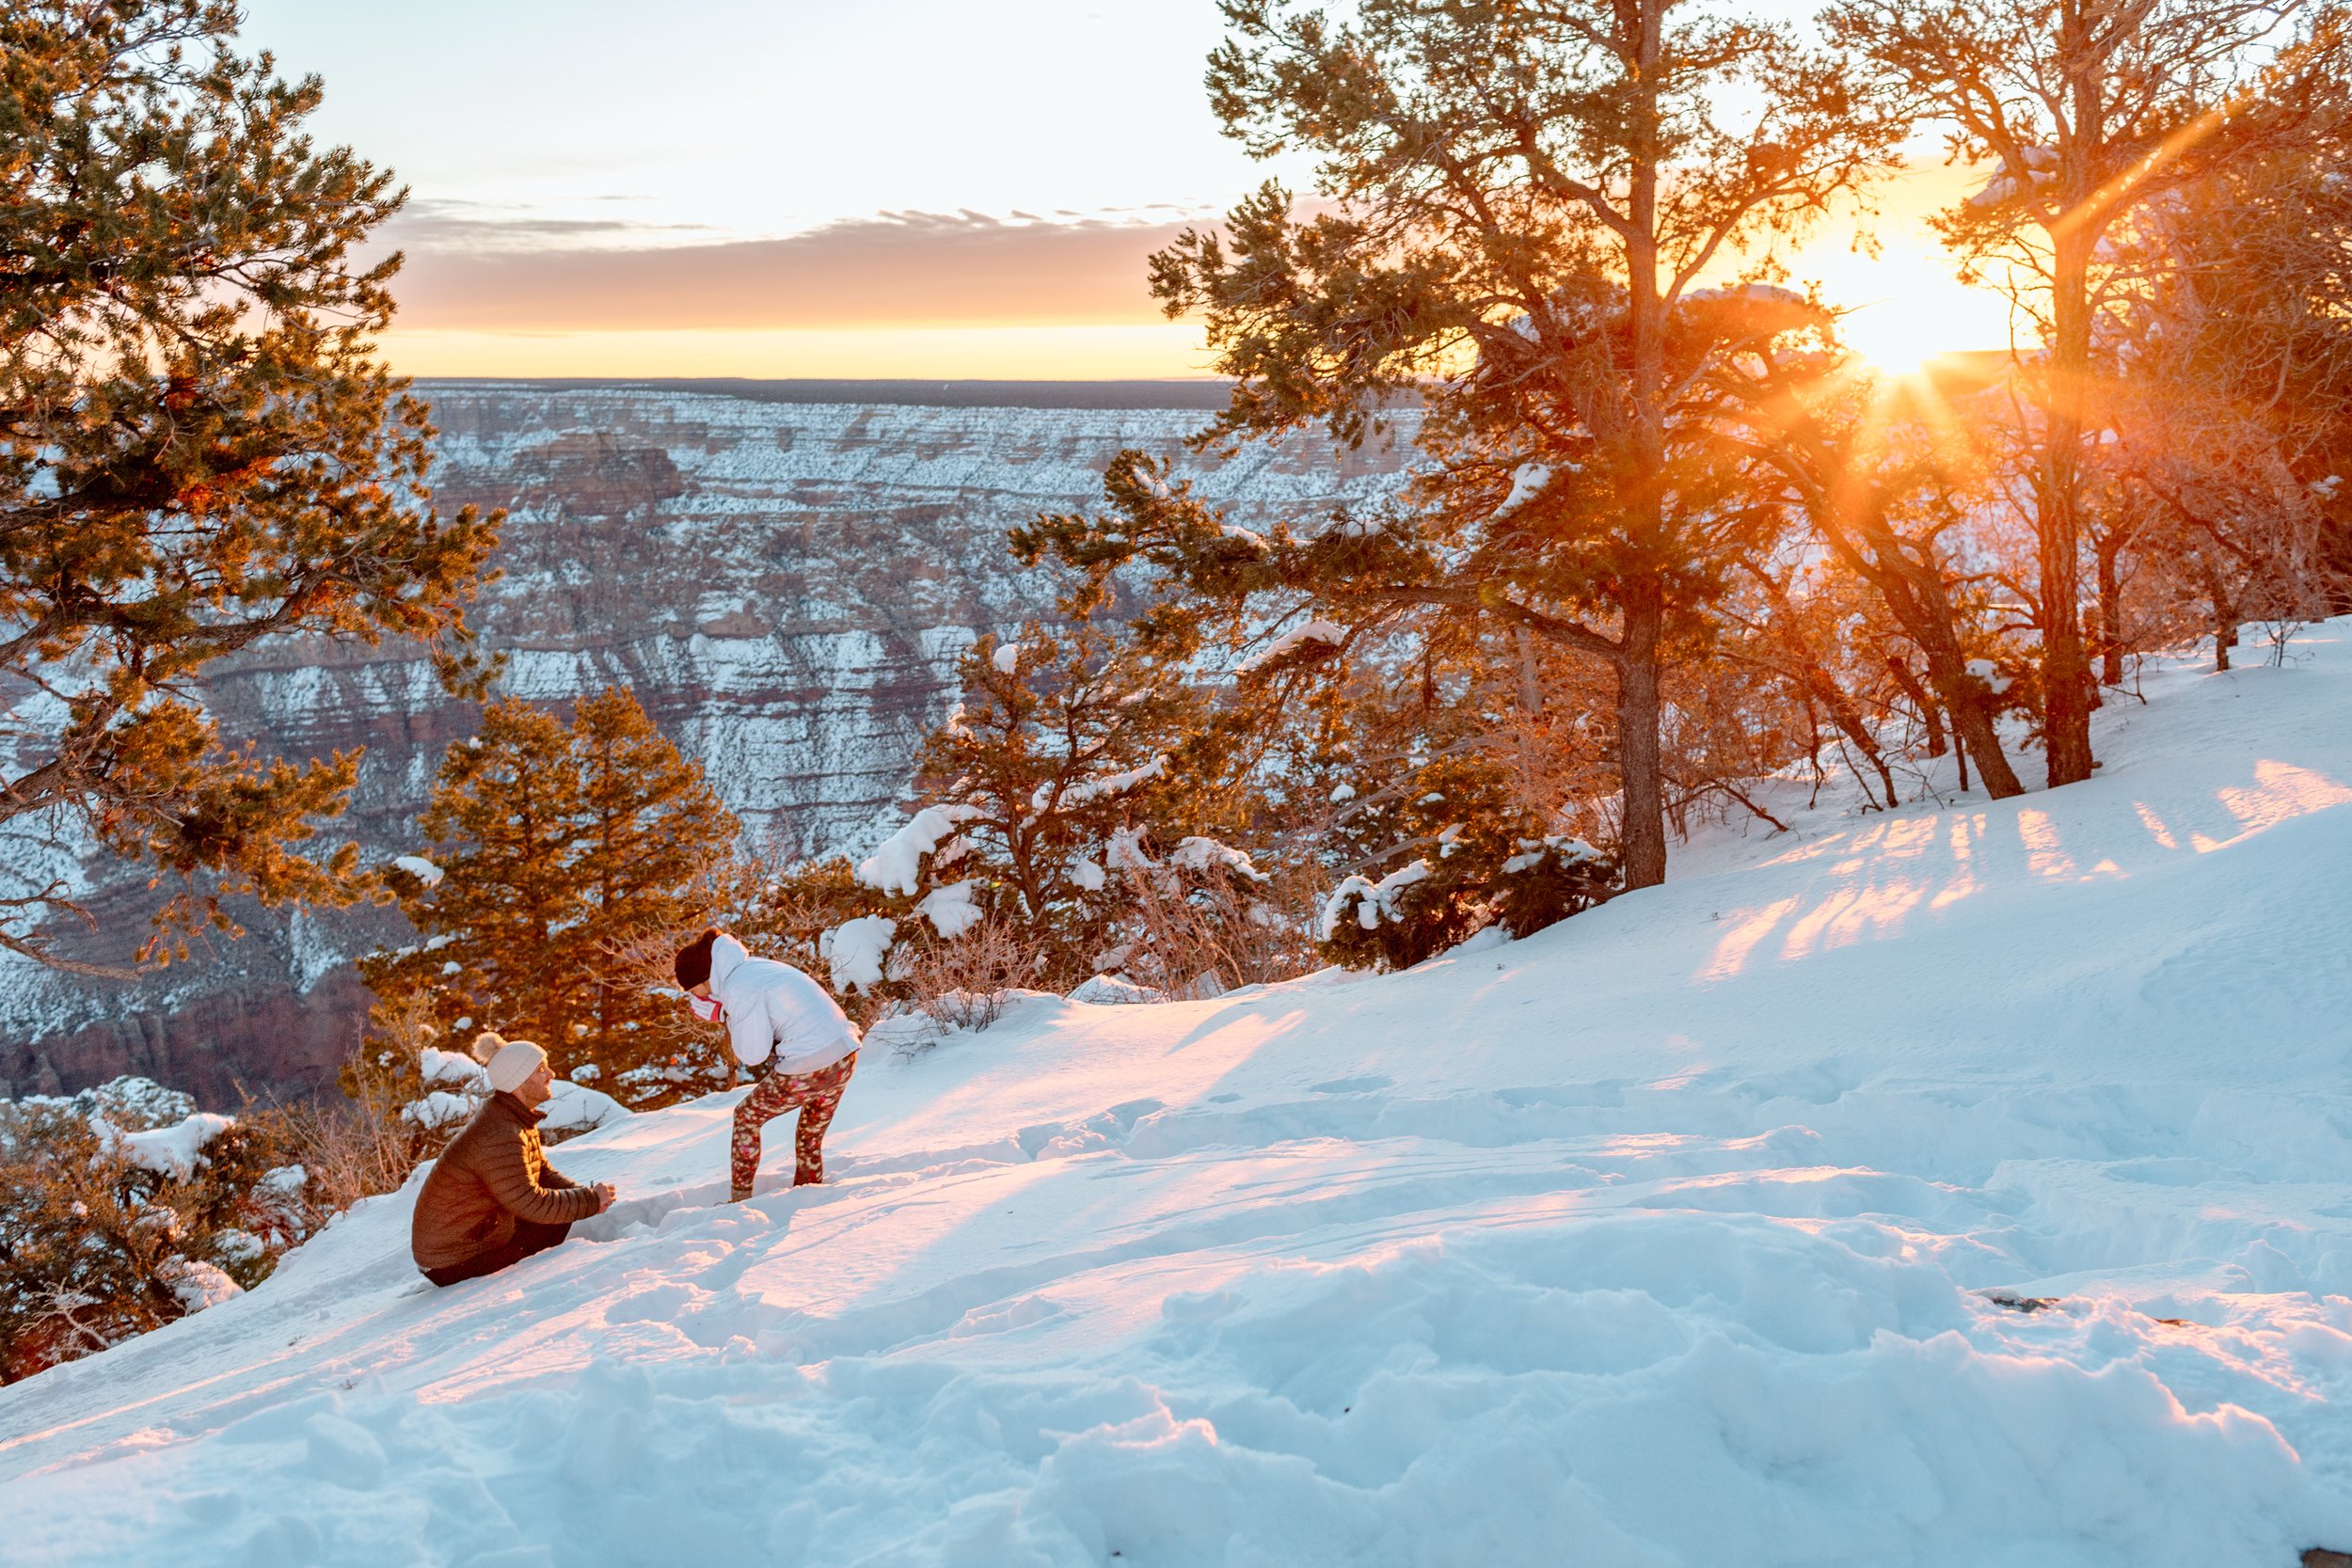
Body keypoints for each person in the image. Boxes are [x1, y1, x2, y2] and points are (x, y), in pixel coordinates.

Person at [410, 1031, 615, 1286]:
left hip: (467, 1238)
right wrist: (589, 1201)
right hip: (452, 1261)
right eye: (542, 1070)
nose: (551, 1074)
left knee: (560, 1212)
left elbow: (541, 1172)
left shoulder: (511, 1117)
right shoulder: (499, 1134)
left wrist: (583, 1194)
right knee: (552, 1222)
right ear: (519, 1080)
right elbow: (531, 1203)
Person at [675, 927, 860, 1201]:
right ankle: (808, 1191)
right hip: (844, 1054)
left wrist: (724, 1015)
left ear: (705, 977)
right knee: (809, 1132)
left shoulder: (739, 987)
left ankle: (739, 1200)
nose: (699, 997)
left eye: (695, 990)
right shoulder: (754, 968)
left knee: (746, 1117)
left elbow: (753, 1054)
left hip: (812, 1062)